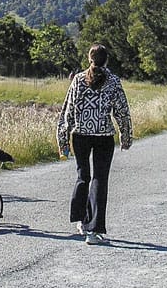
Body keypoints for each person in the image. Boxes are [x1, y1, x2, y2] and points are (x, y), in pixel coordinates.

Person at [56, 44, 132, 245]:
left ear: (89, 59)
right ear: (106, 60)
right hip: (103, 136)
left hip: (80, 135)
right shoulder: (113, 81)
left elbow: (68, 111)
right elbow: (122, 112)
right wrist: (126, 137)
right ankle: (94, 229)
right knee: (99, 179)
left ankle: (81, 220)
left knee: (83, 176)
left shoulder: (78, 80)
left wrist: (63, 141)